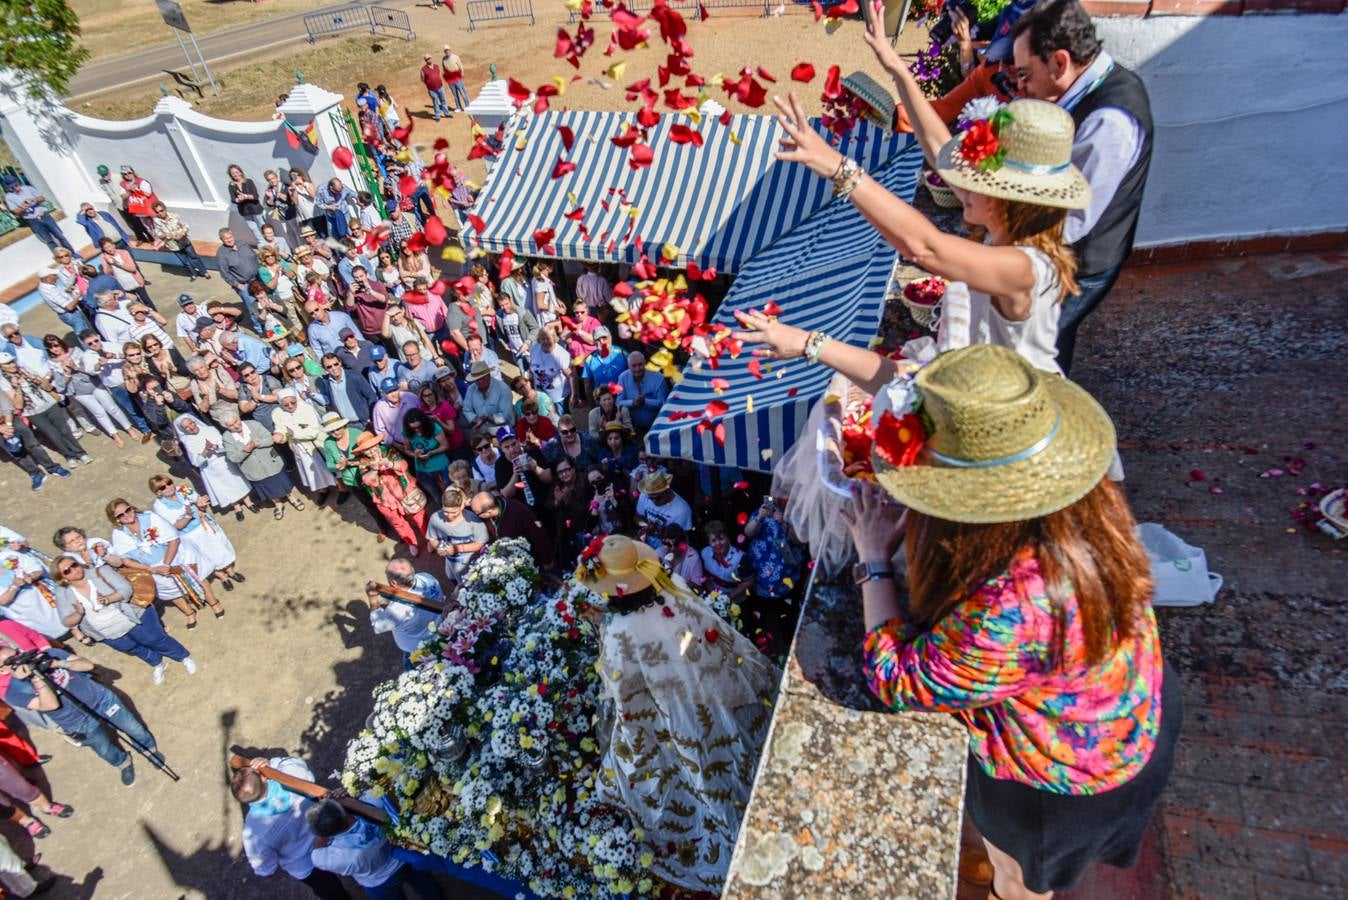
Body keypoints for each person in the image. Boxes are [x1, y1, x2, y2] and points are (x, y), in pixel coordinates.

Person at [801, 345, 1176, 900]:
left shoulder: (1015, 604)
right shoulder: (1084, 503)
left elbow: (897, 677)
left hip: (1064, 775)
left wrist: (873, 559)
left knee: (1022, 881)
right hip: (1130, 708)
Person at [830, 15, 1088, 375]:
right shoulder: (1007, 237)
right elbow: (939, 149)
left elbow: (925, 248)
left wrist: (840, 169)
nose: (963, 183)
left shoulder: (1026, 268)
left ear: (1007, 198)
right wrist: (897, 71)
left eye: (977, 179)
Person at [578, 535, 778, 893]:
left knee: (688, 769)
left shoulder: (621, 631)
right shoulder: (676, 587)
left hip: (672, 713)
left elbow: (626, 696)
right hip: (718, 693)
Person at [1011, 0, 1153, 373]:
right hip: (1065, 252)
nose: (1022, 87)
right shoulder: (1087, 88)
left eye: (1026, 75)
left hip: (1083, 263)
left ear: (1060, 62)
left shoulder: (1110, 121)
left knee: (1035, 351)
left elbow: (1072, 219)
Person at [0, 642, 162, 785]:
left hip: (101, 700)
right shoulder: (13, 692)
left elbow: (87, 665)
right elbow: (50, 704)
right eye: (10, 662)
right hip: (77, 723)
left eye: (16, 654)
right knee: (104, 749)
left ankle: (149, 749)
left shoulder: (49, 655)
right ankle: (123, 763)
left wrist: (57, 663)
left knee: (132, 727)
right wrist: (36, 678)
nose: (19, 660)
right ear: (3, 671)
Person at [54, 554, 196, 683]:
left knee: (154, 639)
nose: (74, 570)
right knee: (132, 648)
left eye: (74, 565)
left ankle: (183, 657)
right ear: (62, 577)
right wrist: (78, 614)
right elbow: (66, 620)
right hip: (105, 631)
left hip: (131, 616)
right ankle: (157, 663)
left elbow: (126, 589)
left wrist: (108, 599)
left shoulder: (100, 572)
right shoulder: (63, 593)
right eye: (67, 571)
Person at [232, 757, 351, 900]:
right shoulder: (291, 774)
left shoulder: (252, 831)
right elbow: (298, 764)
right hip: (332, 835)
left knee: (332, 893)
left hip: (307, 866)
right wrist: (270, 765)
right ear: (263, 777)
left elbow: (265, 868)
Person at [107, 497, 225, 626]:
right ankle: (189, 613)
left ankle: (214, 603)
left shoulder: (150, 517)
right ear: (116, 519)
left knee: (197, 578)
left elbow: (174, 539)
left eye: (128, 510)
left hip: (174, 555)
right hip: (152, 568)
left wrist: (166, 564)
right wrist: (152, 569)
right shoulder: (118, 534)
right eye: (121, 515)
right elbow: (126, 560)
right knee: (171, 591)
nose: (127, 515)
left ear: (132, 507)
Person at [306, 796, 442, 900]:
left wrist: (323, 833)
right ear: (342, 811)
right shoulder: (372, 804)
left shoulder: (340, 857)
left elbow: (316, 855)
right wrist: (348, 800)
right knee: (429, 888)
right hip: (405, 858)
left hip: (378, 882)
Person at [43, 335, 142, 447]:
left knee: (112, 407)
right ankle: (115, 434)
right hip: (79, 392)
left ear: (61, 343)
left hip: (94, 384)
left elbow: (91, 370)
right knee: (99, 413)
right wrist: (67, 373)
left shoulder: (76, 352)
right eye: (50, 348)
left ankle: (128, 428)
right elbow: (61, 386)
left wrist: (75, 367)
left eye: (56, 345)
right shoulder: (52, 363)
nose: (55, 349)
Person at [0, 350, 90, 470]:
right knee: (53, 435)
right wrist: (17, 388)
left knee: (64, 430)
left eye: (12, 362)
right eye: (7, 364)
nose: (12, 365)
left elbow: (45, 385)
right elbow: (18, 405)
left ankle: (81, 452)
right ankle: (69, 456)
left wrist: (34, 378)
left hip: (49, 403)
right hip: (33, 412)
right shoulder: (4, 383)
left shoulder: (24, 370)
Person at [149, 474, 242, 588]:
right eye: (162, 487)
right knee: (206, 556)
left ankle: (231, 572)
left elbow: (200, 506)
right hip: (189, 535)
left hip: (204, 524)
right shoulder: (160, 507)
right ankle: (223, 577)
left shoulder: (183, 490)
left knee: (219, 548)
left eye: (169, 483)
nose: (168, 487)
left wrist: (202, 505)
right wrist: (188, 516)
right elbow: (177, 526)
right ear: (158, 492)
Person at [220, 413, 305, 520]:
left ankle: (292, 498)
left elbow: (269, 439)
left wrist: (257, 444)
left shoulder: (253, 424)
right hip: (253, 470)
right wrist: (245, 451)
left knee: (281, 481)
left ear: (239, 418)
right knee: (266, 487)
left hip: (271, 461)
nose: (236, 426)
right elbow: (233, 457)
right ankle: (278, 504)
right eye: (231, 425)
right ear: (226, 427)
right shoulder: (227, 437)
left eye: (236, 421)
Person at [353, 432, 427, 554]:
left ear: (377, 444)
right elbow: (367, 480)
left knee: (419, 515)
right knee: (397, 522)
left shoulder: (388, 451)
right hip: (384, 498)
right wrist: (375, 468)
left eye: (373, 446)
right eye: (367, 449)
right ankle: (411, 542)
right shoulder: (363, 462)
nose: (371, 451)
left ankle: (430, 539)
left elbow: (404, 465)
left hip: (404, 490)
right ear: (362, 452)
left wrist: (390, 464)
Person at [364, 558, 439, 667]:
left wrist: (372, 598)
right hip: (441, 631)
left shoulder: (396, 610)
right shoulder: (426, 578)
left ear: (393, 583)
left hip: (420, 653)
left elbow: (378, 625)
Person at [273, 389, 340, 502]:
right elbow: (282, 431)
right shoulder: (279, 414)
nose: (290, 406)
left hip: (315, 445)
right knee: (312, 471)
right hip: (299, 448)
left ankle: (342, 488)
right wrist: (279, 436)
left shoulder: (306, 408)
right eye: (286, 405)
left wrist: (294, 434)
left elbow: (313, 431)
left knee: (327, 467)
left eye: (292, 403)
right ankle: (323, 489)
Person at [425, 487, 488, 585]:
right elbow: (432, 538)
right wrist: (438, 547)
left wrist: (457, 548)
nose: (449, 516)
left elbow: (480, 543)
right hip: (451, 567)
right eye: (445, 511)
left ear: (462, 506)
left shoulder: (473, 521)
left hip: (472, 568)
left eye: (454, 512)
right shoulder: (435, 518)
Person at [467, 492, 553, 563]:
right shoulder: (490, 511)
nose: (476, 515)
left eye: (477, 513)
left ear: (488, 512)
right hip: (508, 560)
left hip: (530, 559)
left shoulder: (518, 511)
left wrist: (547, 561)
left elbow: (538, 535)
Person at [2, 175, 72, 252]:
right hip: (33, 220)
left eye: (16, 185)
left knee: (60, 235)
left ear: (18, 183)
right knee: (49, 240)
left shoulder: (28, 188)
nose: (16, 188)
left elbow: (42, 198)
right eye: (12, 187)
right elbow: (15, 211)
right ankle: (61, 258)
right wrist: (22, 207)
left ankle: (72, 253)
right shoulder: (9, 197)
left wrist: (34, 200)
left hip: (44, 216)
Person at [216, 229, 264, 331]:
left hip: (258, 278)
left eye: (230, 237)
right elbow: (225, 274)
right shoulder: (222, 254)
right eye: (226, 239)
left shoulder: (243, 244)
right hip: (244, 284)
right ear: (222, 240)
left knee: (264, 301)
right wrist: (237, 285)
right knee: (253, 308)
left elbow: (254, 256)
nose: (229, 240)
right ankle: (259, 328)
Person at [150, 202, 210, 281]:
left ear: (165, 209)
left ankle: (204, 272)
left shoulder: (174, 216)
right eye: (157, 212)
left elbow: (185, 226)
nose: (160, 213)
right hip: (173, 245)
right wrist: (168, 235)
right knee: (185, 261)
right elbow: (158, 233)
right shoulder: (157, 221)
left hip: (184, 241)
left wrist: (182, 233)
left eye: (161, 210)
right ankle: (193, 273)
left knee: (194, 257)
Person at [615, 351, 670, 432]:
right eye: (633, 366)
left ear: (645, 363)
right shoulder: (622, 378)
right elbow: (618, 403)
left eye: (640, 364)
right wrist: (633, 402)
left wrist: (645, 401)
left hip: (657, 427)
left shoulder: (658, 377)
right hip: (633, 429)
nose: (637, 369)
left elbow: (664, 404)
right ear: (628, 366)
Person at [700, 520, 754, 602]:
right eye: (713, 540)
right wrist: (714, 596)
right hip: (713, 599)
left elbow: (749, 582)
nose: (718, 543)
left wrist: (727, 598)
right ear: (709, 542)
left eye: (721, 539)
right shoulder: (704, 553)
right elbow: (706, 576)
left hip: (736, 602)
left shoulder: (742, 558)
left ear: (728, 539)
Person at [402, 409, 451, 499]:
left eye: (419, 426)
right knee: (438, 497)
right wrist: (415, 454)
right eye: (413, 428)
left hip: (441, 466)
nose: (417, 430)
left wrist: (431, 453)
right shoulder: (406, 433)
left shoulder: (434, 428)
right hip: (422, 470)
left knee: (451, 493)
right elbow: (407, 450)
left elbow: (445, 445)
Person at [321, 352, 378, 425]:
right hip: (346, 425)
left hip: (365, 422)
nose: (334, 368)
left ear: (340, 363)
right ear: (325, 368)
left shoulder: (354, 376)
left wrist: (372, 416)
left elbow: (371, 396)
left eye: (336, 364)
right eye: (329, 367)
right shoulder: (327, 382)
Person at [36, 266, 89, 342]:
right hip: (71, 314)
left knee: (85, 334)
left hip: (67, 314)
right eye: (54, 276)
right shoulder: (50, 291)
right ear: (47, 278)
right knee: (84, 336)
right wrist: (78, 296)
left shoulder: (44, 285)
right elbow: (69, 307)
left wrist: (66, 291)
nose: (57, 278)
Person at [461, 361, 515, 430]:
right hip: (483, 431)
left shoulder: (503, 389)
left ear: (488, 375)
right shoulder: (471, 389)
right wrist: (476, 419)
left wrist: (487, 419)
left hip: (504, 429)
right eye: (477, 379)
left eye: (482, 378)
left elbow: (506, 417)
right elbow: (466, 409)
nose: (480, 381)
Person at [494, 290, 538, 374]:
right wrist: (504, 342)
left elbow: (535, 328)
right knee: (522, 373)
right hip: (515, 351)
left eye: (506, 304)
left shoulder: (523, 312)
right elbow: (498, 331)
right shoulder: (499, 315)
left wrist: (527, 343)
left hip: (528, 350)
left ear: (511, 300)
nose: (505, 307)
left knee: (536, 373)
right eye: (502, 305)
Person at [528, 327, 570, 410]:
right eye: (543, 339)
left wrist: (574, 395)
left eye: (548, 338)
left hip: (558, 396)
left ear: (554, 339)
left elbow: (571, 375)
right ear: (539, 340)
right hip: (540, 393)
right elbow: (531, 365)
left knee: (559, 419)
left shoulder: (561, 354)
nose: (545, 341)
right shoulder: (535, 347)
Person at [371, 380, 419, 449]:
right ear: (383, 393)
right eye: (389, 392)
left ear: (399, 388)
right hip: (400, 445)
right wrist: (398, 446)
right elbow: (381, 431)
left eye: (395, 390)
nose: (393, 394)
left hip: (422, 438)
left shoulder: (411, 397)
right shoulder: (379, 408)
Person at [580, 325, 626, 397]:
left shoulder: (621, 352)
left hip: (623, 396)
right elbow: (587, 385)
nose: (601, 342)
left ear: (610, 338)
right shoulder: (590, 359)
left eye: (604, 338)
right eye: (598, 340)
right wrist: (592, 405)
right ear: (594, 342)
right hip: (603, 400)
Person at [226, 164, 266, 244]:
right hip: (244, 211)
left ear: (240, 172)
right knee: (253, 227)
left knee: (262, 225)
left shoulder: (249, 182)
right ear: (231, 175)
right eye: (233, 173)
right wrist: (238, 199)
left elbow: (255, 196)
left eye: (236, 172)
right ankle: (262, 242)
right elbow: (233, 199)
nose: (235, 174)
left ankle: (268, 240)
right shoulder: (231, 185)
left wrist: (245, 197)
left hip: (255, 208)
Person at [660, 523, 705, 589]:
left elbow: (697, 585)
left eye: (676, 544)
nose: (672, 548)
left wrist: (676, 582)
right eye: (668, 544)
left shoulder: (693, 557)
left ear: (683, 542)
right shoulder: (658, 553)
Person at [419, 52, 451, 121]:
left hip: (440, 87)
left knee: (443, 100)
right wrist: (429, 84)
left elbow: (439, 75)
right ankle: (437, 116)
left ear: (431, 58)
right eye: (427, 59)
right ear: (425, 60)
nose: (429, 60)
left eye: (429, 58)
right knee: (435, 102)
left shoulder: (436, 66)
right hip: (432, 90)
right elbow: (422, 79)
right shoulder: (423, 69)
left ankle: (447, 113)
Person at [441, 45, 469, 110]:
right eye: (445, 51)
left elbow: (460, 66)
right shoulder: (444, 59)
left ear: (450, 50)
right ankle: (458, 107)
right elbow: (444, 69)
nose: (447, 51)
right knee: (455, 94)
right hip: (450, 79)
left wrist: (462, 74)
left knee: (462, 92)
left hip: (457, 78)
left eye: (447, 50)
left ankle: (467, 105)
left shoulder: (455, 57)